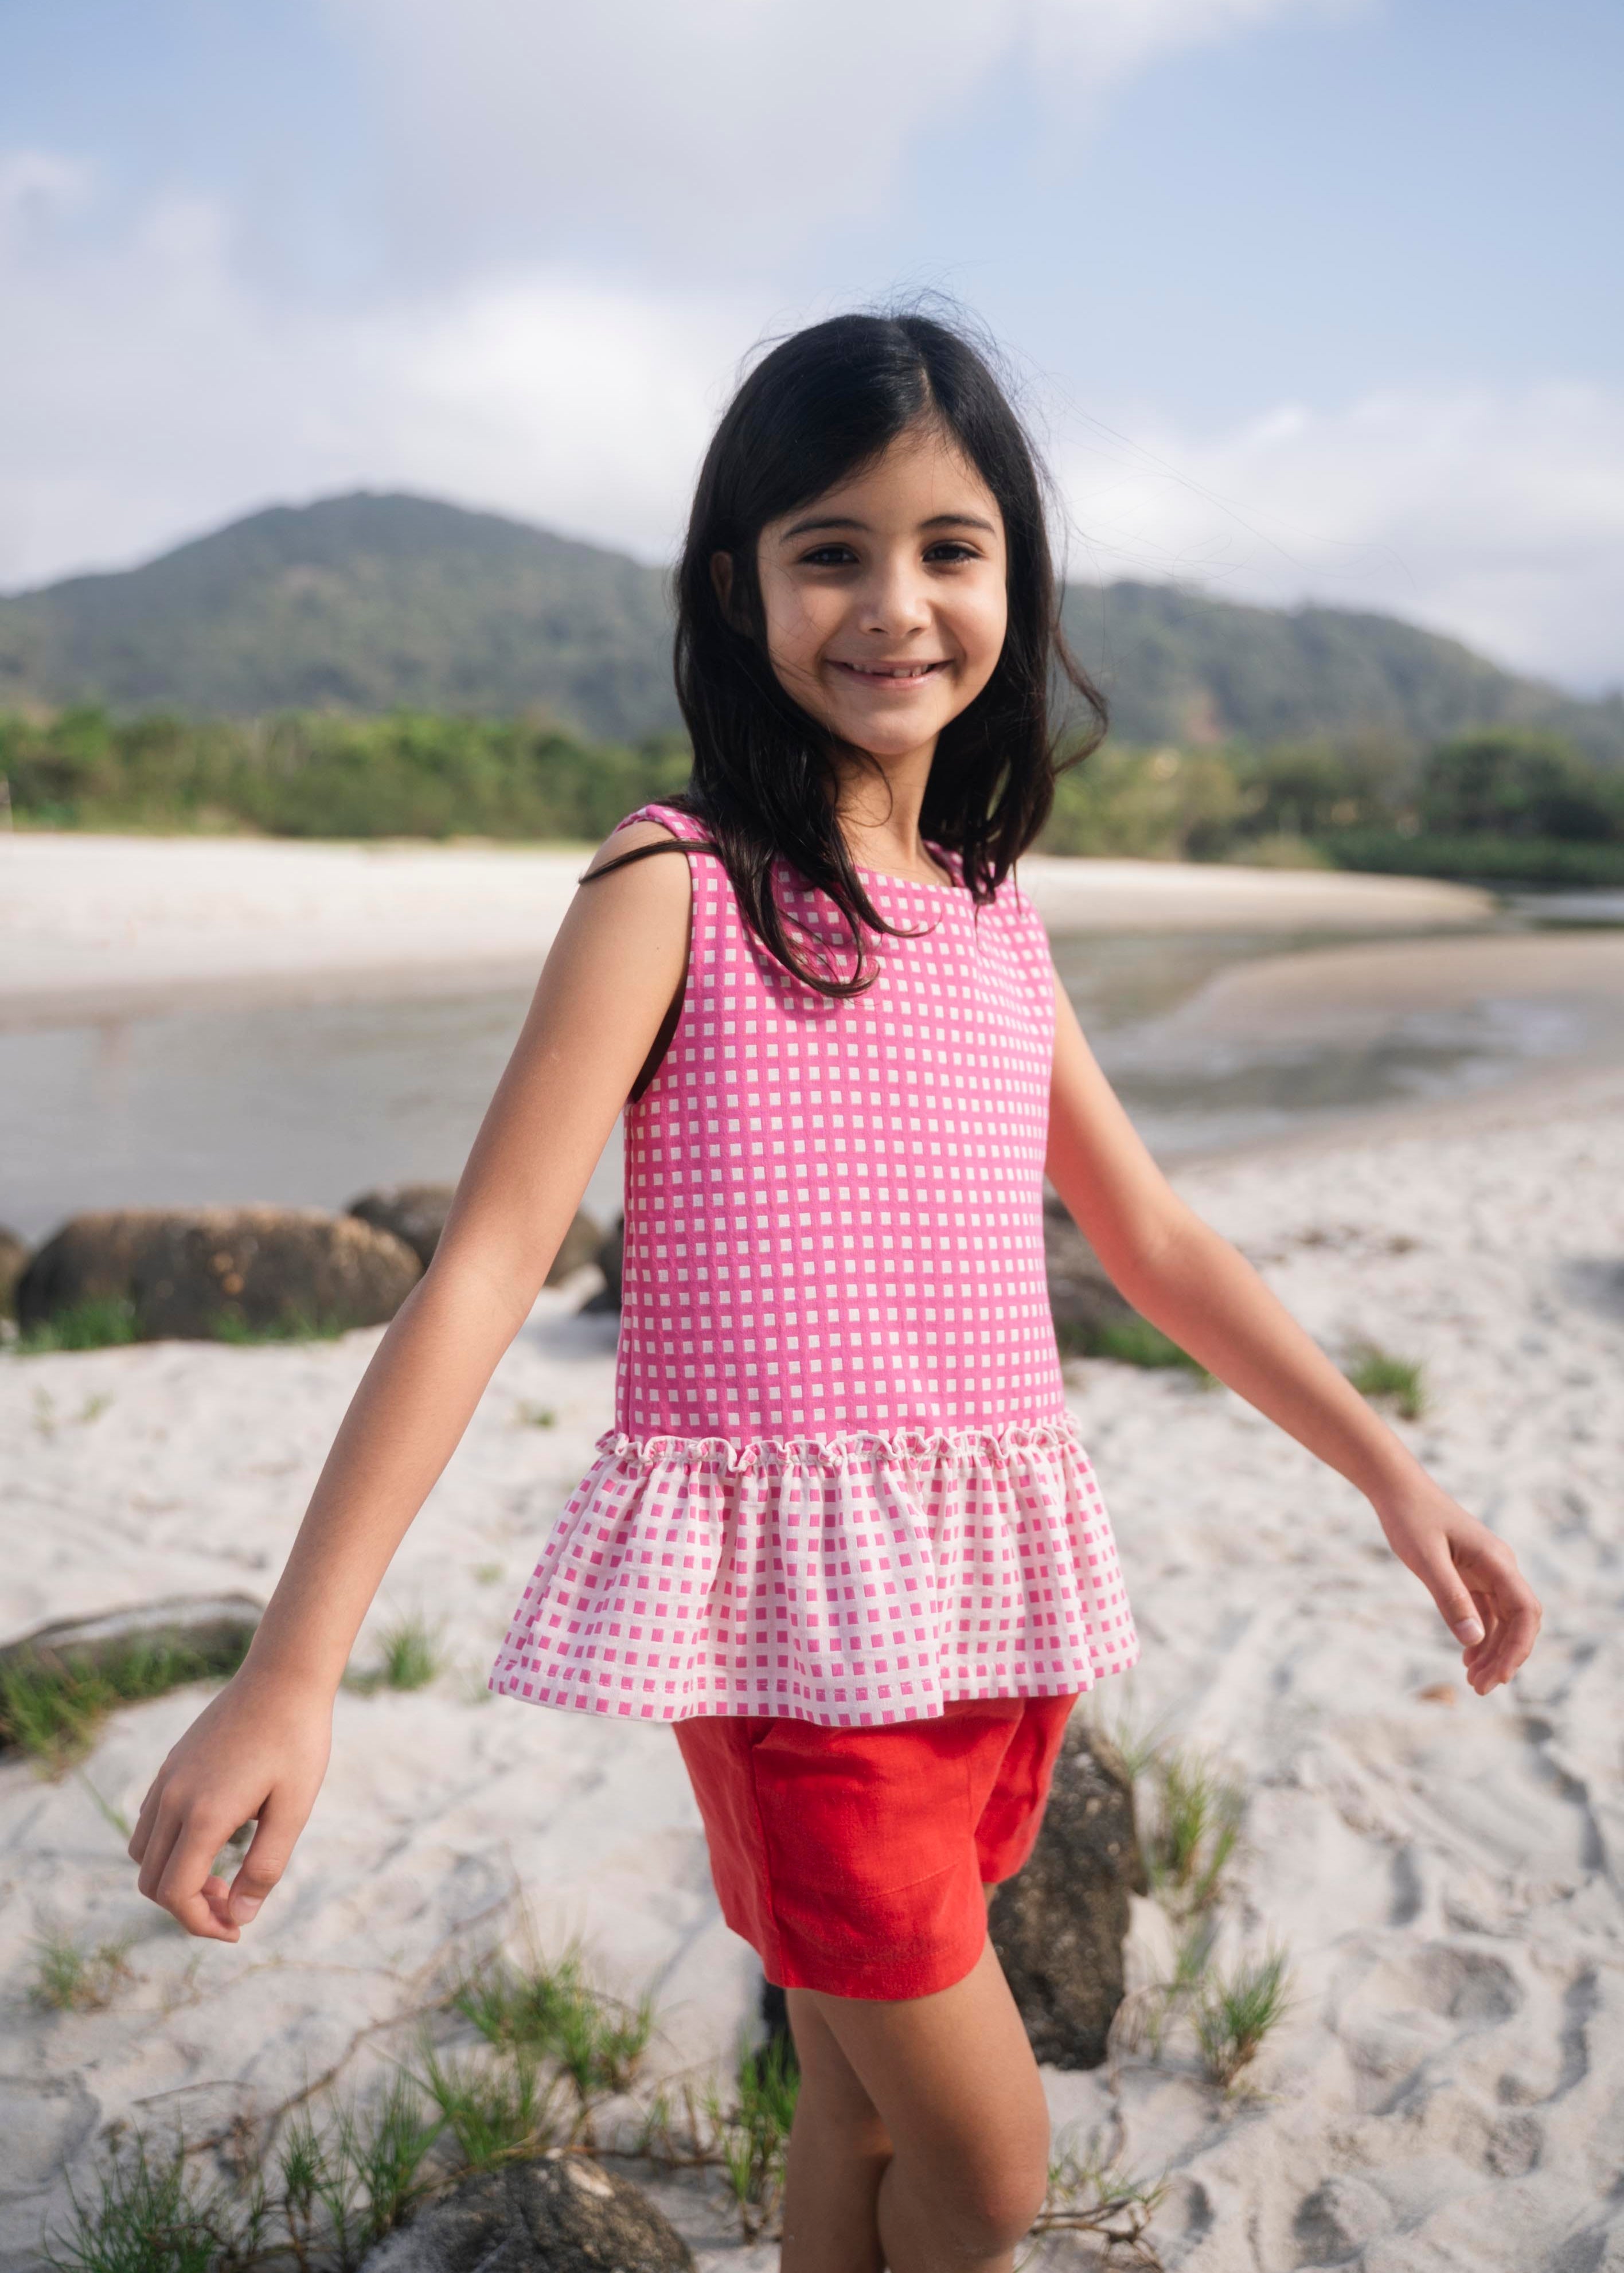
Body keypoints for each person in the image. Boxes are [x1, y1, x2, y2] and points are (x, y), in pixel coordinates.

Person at [128, 309, 1543, 2273]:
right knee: (991, 2165)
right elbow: (477, 1272)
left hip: (988, 1594)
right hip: (799, 1644)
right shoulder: (671, 886)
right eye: (832, 550)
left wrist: (1392, 1474)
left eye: (950, 549)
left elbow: (1156, 1240)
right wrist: (294, 1665)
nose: (897, 604)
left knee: (865, 2104)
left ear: (1016, 583)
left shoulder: (989, 909)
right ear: (741, 584)